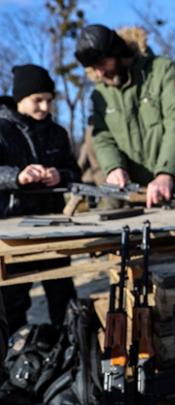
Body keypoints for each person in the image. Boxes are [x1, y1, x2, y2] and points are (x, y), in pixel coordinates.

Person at [74, 25, 175, 208]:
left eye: (103, 64)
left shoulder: (162, 70)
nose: (99, 73)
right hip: (134, 200)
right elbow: (102, 136)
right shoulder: (100, 94)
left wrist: (166, 173)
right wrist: (114, 167)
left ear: (117, 52)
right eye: (94, 68)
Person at [0, 65, 79, 333]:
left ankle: (67, 355)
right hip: (12, 231)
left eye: (49, 100)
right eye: (38, 100)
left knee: (64, 297)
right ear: (20, 97)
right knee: (12, 303)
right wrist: (17, 176)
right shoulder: (2, 129)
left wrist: (61, 175)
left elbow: (74, 172)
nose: (44, 106)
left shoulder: (57, 132)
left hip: (53, 227)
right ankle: (13, 361)